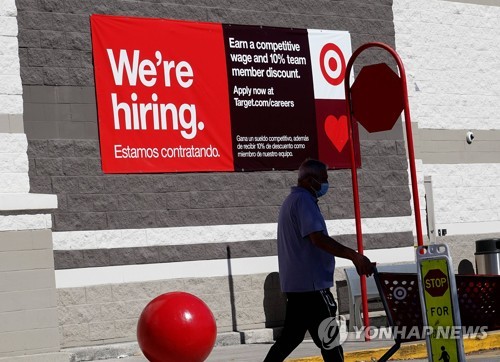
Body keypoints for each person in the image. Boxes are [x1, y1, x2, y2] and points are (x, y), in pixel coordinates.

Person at [264, 159, 375, 362]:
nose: (325, 184)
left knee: (291, 338)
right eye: (323, 179)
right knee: (329, 341)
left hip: (297, 287)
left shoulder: (291, 201)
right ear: (308, 179)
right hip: (312, 287)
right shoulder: (304, 201)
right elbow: (318, 238)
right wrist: (354, 256)